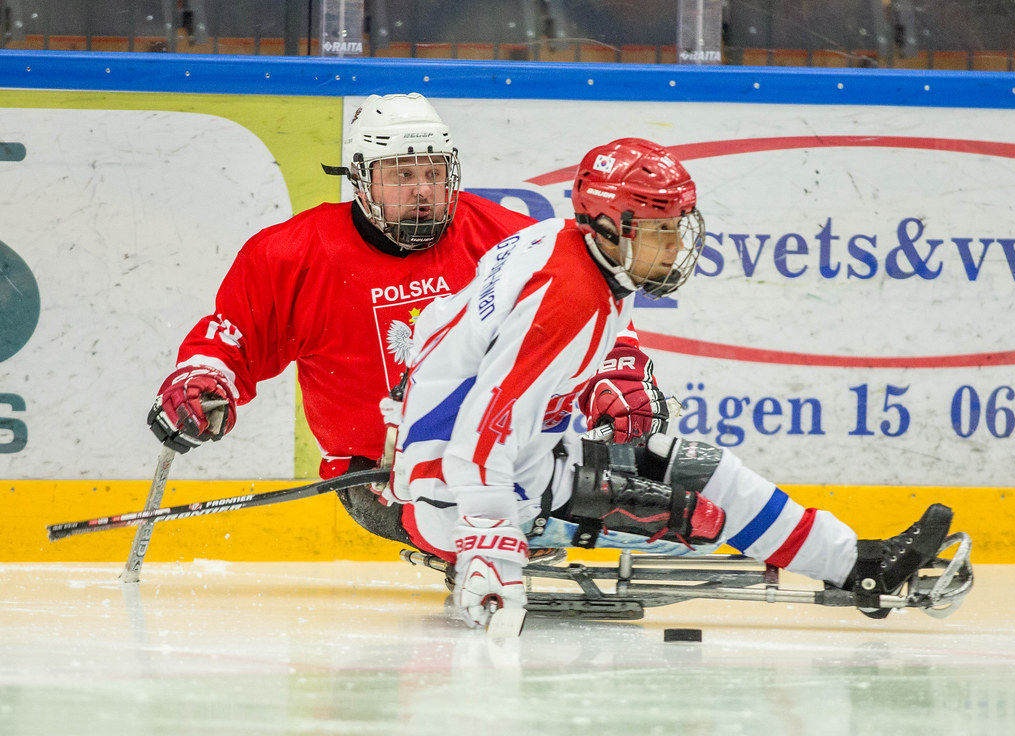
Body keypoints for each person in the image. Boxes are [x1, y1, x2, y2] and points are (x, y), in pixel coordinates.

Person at [384, 137, 956, 629]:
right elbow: (481, 439)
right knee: (701, 510)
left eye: (676, 226)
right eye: (660, 229)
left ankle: (859, 562)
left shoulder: (556, 243)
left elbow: (448, 338)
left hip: (505, 464)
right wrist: (490, 549)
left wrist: (610, 370)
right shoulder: (569, 299)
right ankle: (856, 568)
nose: (678, 244)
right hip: (463, 498)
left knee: (706, 468)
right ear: (609, 226)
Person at [146, 93, 666, 547]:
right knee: (486, 509)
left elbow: (587, 311)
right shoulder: (291, 255)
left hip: (506, 451)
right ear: (360, 178)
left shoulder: (509, 240)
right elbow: (230, 342)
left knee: (648, 485)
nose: (422, 190)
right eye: (401, 174)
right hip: (376, 473)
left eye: (433, 174)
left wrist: (614, 369)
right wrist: (203, 380)